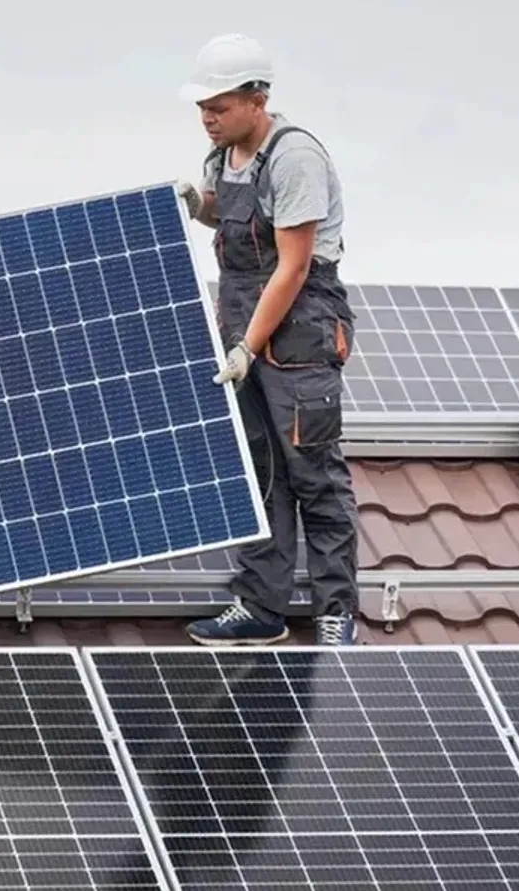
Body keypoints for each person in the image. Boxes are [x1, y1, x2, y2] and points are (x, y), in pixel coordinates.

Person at [176, 34, 360, 647]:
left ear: (257, 99)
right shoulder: (221, 154)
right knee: (258, 470)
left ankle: (336, 609)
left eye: (220, 106)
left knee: (314, 471)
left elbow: (293, 267)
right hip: (242, 325)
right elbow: (225, 218)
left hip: (298, 331)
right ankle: (261, 605)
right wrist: (196, 202)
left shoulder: (293, 156)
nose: (208, 117)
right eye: (202, 106)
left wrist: (248, 347)